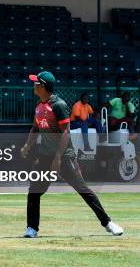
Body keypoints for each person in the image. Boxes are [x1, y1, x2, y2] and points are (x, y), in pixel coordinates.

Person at [20, 71, 123, 238]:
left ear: (43, 86)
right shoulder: (39, 106)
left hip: (65, 156)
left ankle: (108, 223)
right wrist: (27, 146)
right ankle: (32, 229)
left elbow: (66, 132)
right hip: (45, 156)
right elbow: (35, 128)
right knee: (34, 192)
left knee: (83, 190)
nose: (33, 85)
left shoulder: (58, 105)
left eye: (36, 83)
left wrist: (58, 158)